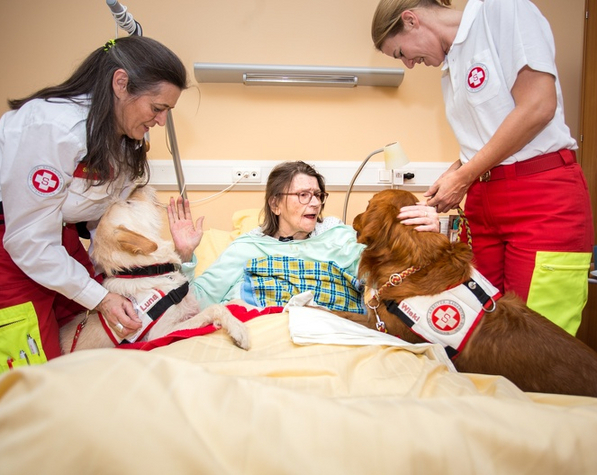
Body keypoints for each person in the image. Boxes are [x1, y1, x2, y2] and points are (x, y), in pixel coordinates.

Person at [0, 36, 188, 395]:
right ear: (120, 83)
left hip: (55, 235)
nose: (161, 121)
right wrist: (100, 296)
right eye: (157, 107)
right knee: (34, 381)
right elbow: (28, 240)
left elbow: (97, 213)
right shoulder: (52, 127)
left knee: (89, 341)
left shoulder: (122, 139)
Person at [371, 0, 594, 334]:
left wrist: (465, 174)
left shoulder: (502, 11)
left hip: (540, 197)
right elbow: (490, 139)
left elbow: (538, 106)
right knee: (482, 332)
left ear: (411, 19)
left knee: (540, 339)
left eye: (401, 52)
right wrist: (455, 171)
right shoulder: (452, 65)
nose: (409, 64)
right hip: (484, 202)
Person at [168, 161, 439, 313]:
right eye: (303, 195)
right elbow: (197, 301)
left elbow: (391, 277)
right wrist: (183, 256)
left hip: (336, 334)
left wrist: (423, 234)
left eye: (318, 195)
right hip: (267, 335)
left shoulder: (340, 238)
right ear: (275, 204)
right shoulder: (245, 248)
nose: (315, 203)